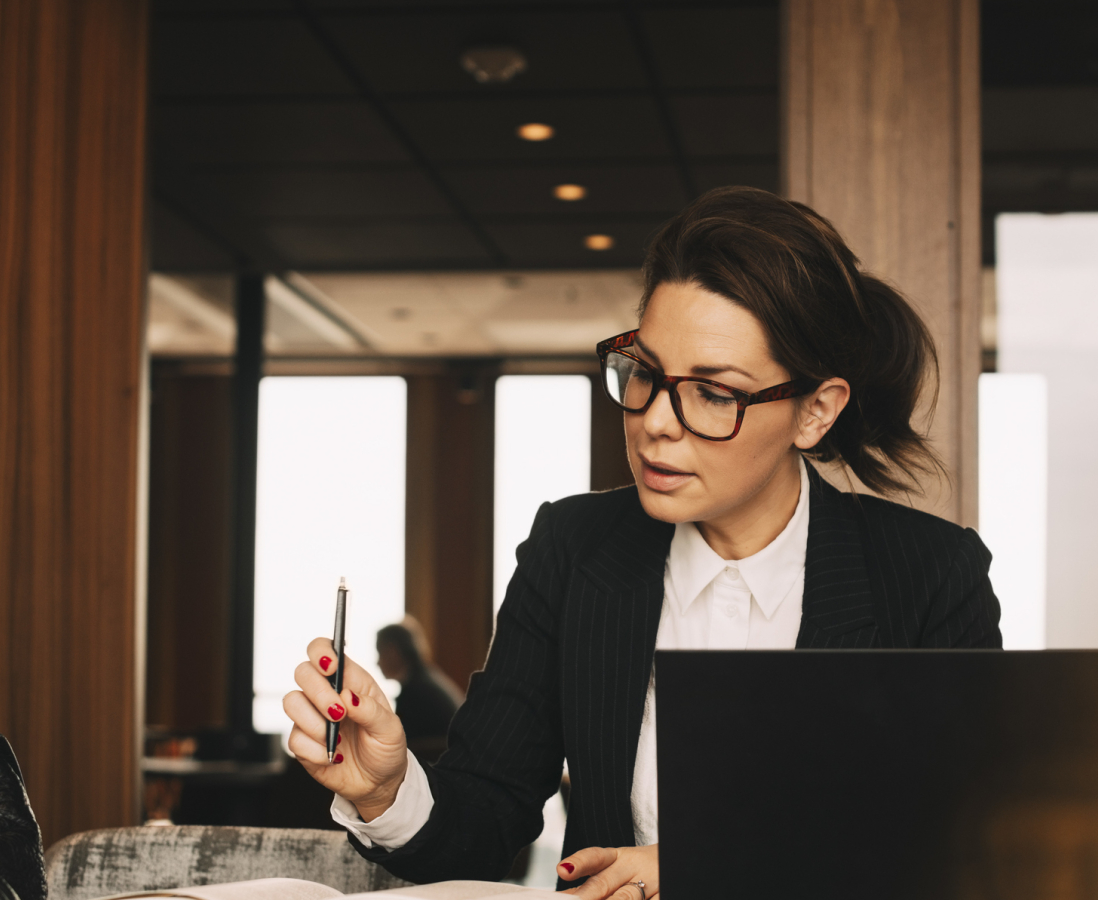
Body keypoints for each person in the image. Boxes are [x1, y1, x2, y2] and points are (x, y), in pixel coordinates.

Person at [283, 186, 1003, 900]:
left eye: (714, 394)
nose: (656, 421)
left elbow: (956, 849)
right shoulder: (573, 548)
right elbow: (486, 816)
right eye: (647, 374)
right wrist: (387, 789)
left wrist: (710, 869)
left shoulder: (930, 575)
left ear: (816, 412)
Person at [374, 622, 461, 742]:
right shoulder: (426, 678)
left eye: (380, 653)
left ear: (392, 651)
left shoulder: (414, 693)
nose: (377, 663)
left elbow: (403, 744)